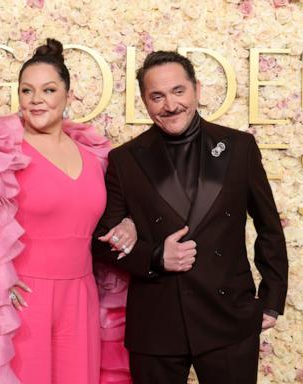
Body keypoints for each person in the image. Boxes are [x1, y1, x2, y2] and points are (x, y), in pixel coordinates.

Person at [0, 38, 136, 383]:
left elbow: (112, 218)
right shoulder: (0, 152)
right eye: (27, 91)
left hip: (81, 296)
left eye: (48, 90)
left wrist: (128, 223)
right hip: (21, 299)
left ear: (68, 94)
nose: (36, 100)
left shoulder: (96, 156)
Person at [92, 50, 288, 384]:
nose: (170, 105)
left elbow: (268, 226)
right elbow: (103, 241)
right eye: (157, 96)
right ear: (145, 101)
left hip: (228, 317)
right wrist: (155, 256)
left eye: (178, 91)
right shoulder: (124, 160)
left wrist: (271, 300)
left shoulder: (239, 147)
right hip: (157, 323)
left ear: (196, 88)